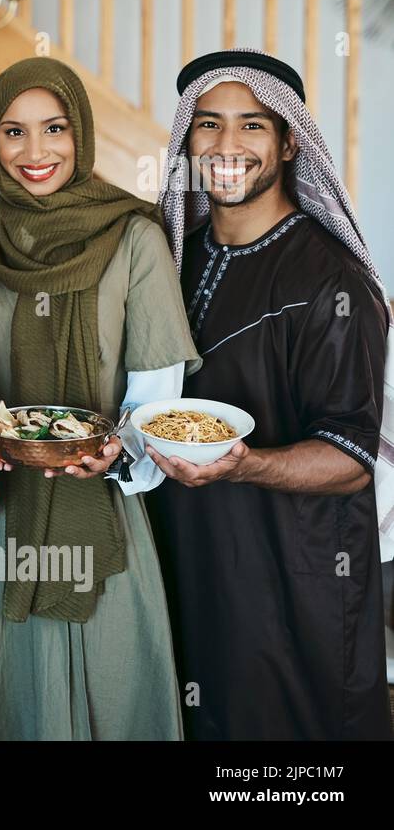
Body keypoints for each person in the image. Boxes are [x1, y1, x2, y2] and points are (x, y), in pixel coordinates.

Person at [0, 57, 199, 739]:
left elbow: (157, 407)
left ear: (80, 133)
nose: (36, 151)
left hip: (103, 515)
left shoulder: (136, 239)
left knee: (111, 693)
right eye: (14, 132)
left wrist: (120, 453)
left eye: (54, 127)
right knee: (2, 701)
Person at [147, 48, 391, 740]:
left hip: (296, 581)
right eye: (209, 125)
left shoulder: (332, 281)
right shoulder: (171, 256)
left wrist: (246, 463)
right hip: (190, 562)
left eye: (252, 125)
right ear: (186, 139)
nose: (227, 146)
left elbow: (350, 452)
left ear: (288, 142)